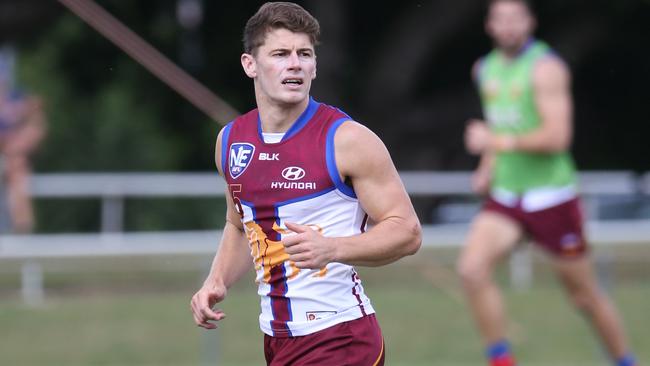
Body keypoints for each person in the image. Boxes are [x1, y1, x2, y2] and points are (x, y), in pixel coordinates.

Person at [190, 2, 422, 365]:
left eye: (305, 54)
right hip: (278, 340)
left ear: (315, 66)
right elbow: (239, 224)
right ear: (250, 64)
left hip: (341, 339)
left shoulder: (347, 140)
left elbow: (407, 231)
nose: (295, 64)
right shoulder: (231, 142)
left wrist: (332, 249)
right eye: (281, 54)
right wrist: (216, 281)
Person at [457, 1, 638, 366]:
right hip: (508, 195)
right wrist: (488, 167)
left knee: (584, 297)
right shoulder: (485, 68)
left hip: (551, 197)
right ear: (490, 25)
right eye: (500, 19)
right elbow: (500, 124)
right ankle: (502, 361)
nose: (508, 26)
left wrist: (496, 143)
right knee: (472, 269)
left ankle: (625, 361)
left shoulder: (546, 68)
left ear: (530, 22)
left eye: (515, 18)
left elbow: (557, 137)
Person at [0, 47, 46, 234]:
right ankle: (22, 229)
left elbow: (38, 125)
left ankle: (22, 230)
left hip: (13, 159)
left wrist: (16, 146)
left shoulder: (17, 99)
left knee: (17, 165)